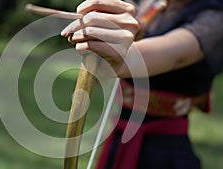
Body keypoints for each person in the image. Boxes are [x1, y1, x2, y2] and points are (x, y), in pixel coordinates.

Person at [61, 0, 223, 168]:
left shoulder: (215, 18)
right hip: (120, 136)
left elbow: (176, 54)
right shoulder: (149, 4)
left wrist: (119, 57)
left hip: (165, 149)